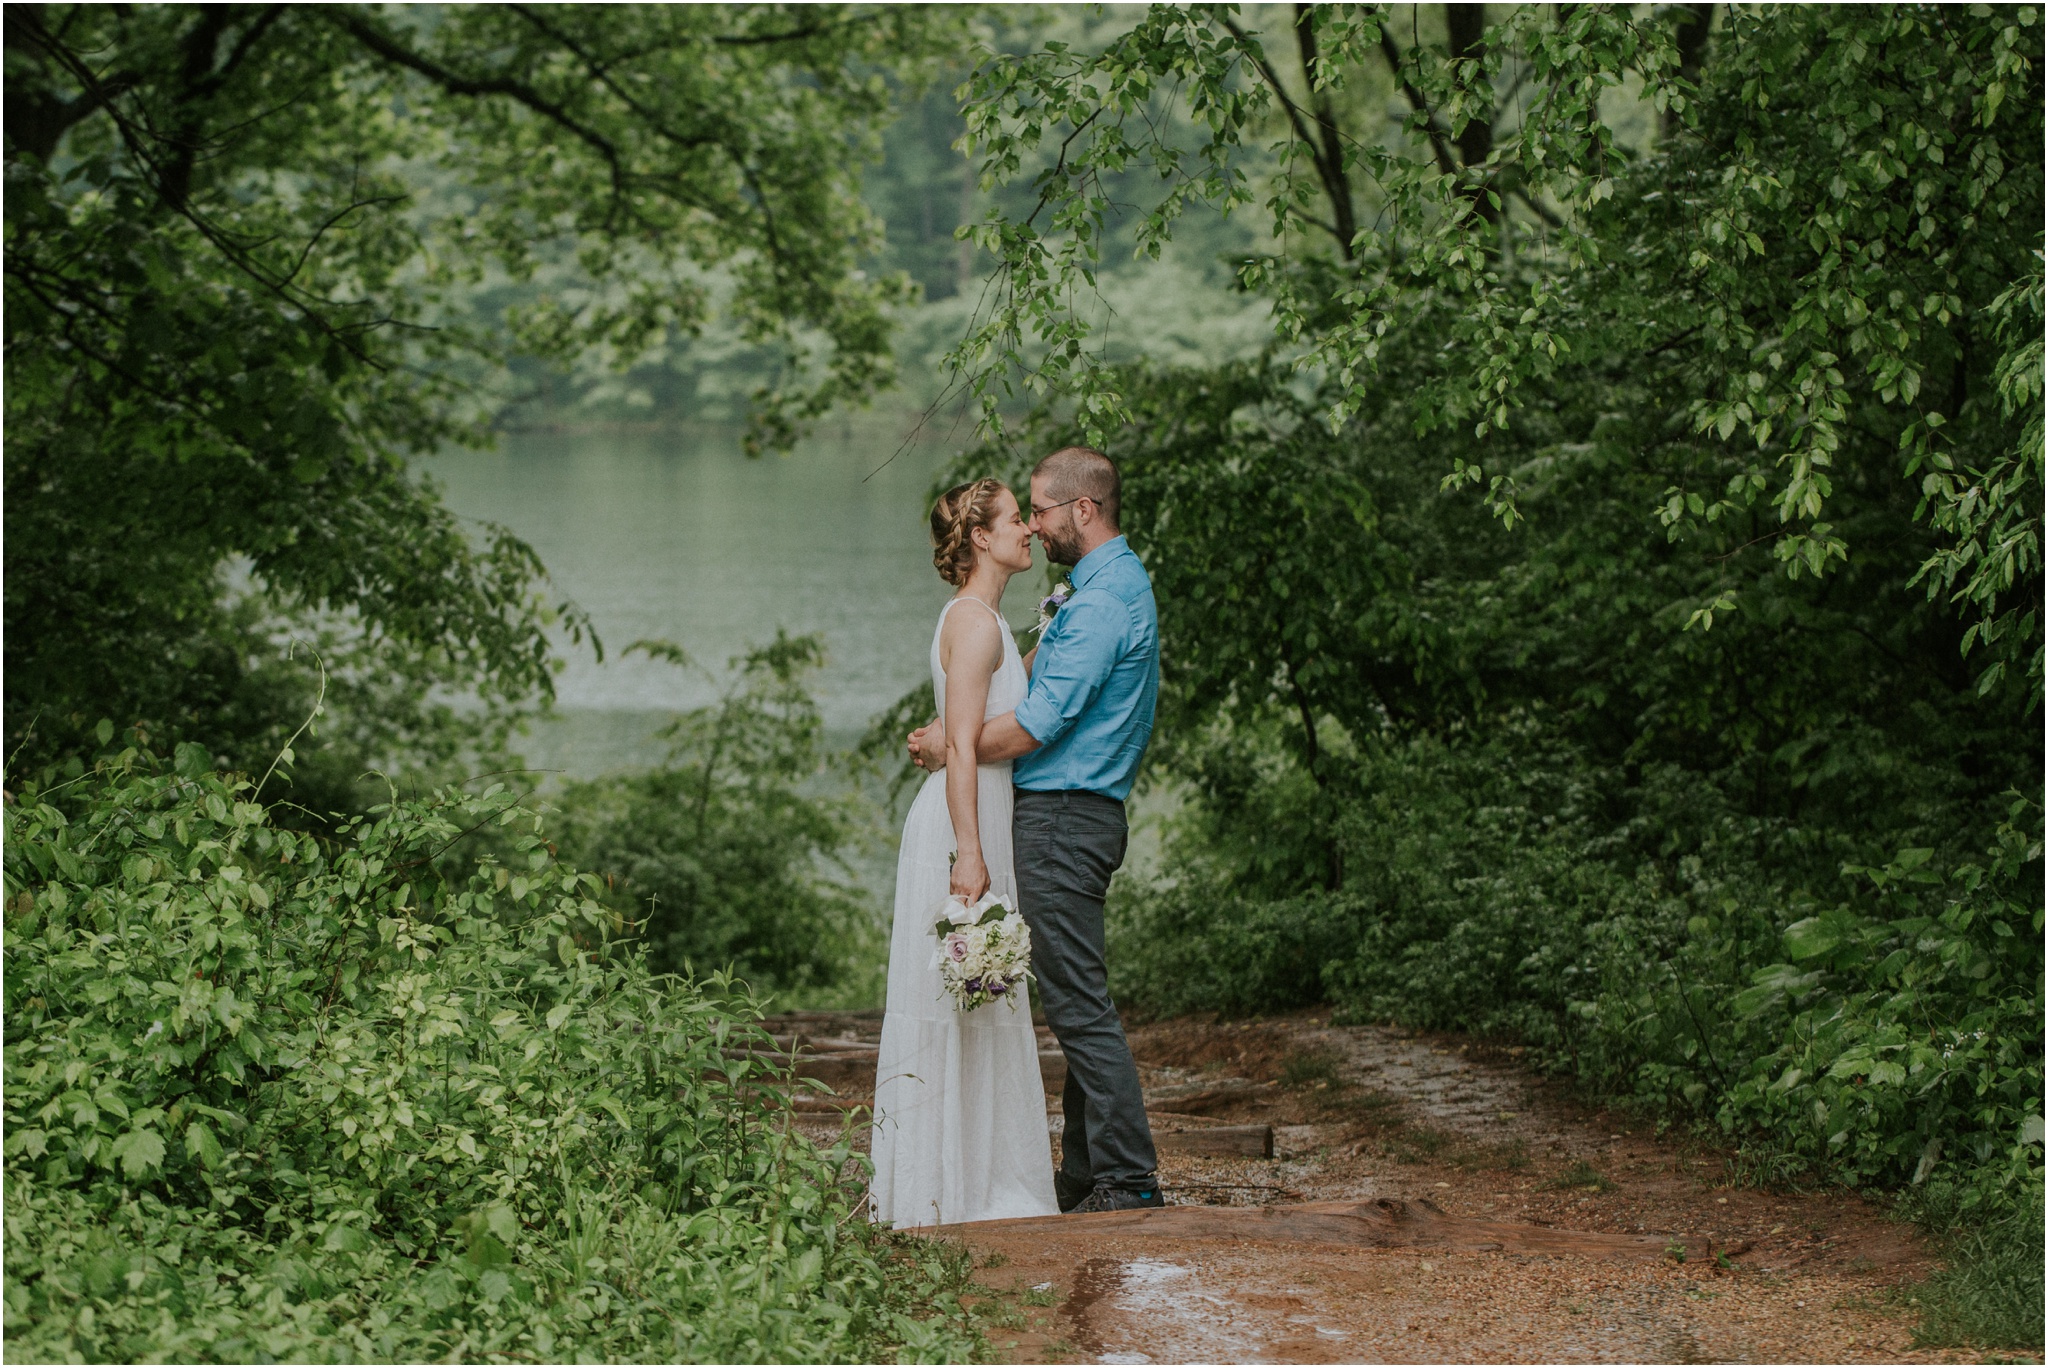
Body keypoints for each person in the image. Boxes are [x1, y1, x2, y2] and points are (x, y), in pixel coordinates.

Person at [908, 446, 1163, 1215]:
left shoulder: (1102, 602)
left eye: (1041, 511)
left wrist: (946, 745)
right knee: (1076, 994)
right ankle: (1088, 1174)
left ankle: (1127, 1178)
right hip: (1065, 816)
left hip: (1064, 818)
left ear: (1081, 510)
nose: (1038, 525)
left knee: (1078, 1002)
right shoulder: (1095, 590)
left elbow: (1039, 724)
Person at [868, 478, 1060, 1228]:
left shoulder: (977, 619)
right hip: (963, 822)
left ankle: (969, 1179)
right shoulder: (977, 625)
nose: (1029, 531)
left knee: (976, 1002)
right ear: (981, 537)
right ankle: (950, 1189)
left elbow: (965, 727)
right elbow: (965, 748)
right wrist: (970, 853)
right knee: (959, 1001)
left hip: (973, 812)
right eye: (1017, 520)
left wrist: (944, 737)